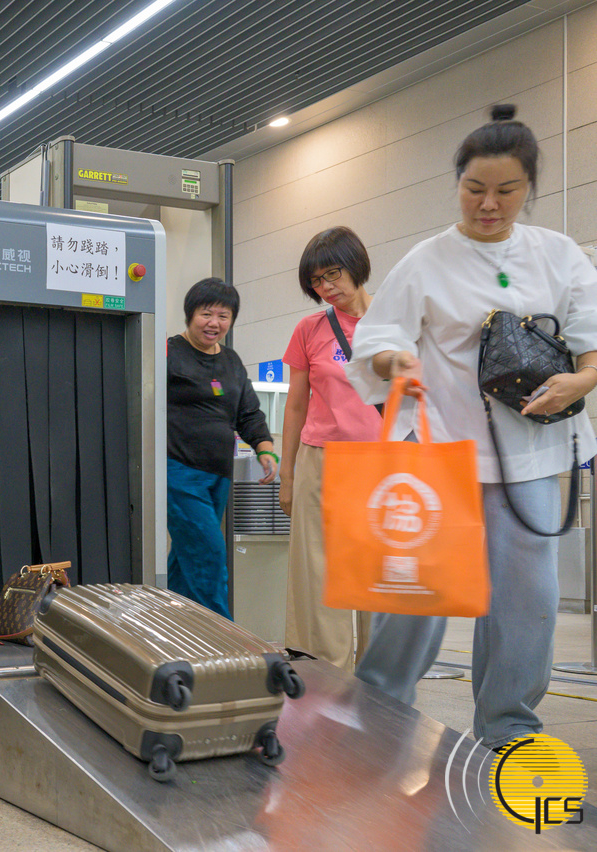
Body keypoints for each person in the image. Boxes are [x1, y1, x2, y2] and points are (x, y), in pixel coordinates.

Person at [344, 105, 597, 750]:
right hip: (440, 455)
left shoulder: (558, 254)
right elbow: (378, 337)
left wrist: (584, 378)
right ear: (457, 182)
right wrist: (394, 361)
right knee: (416, 597)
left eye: (507, 190)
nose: (489, 204)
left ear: (528, 189)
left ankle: (508, 727)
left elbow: (589, 335)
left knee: (527, 599)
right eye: (474, 188)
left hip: (529, 455)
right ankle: (379, 712)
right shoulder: (427, 260)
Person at [280, 226, 380, 670]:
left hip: (382, 462)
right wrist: (288, 475)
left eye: (333, 274)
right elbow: (296, 405)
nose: (326, 287)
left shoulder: (395, 323)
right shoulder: (310, 329)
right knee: (319, 573)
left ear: (356, 265)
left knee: (377, 572)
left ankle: (379, 680)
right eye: (316, 281)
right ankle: (328, 675)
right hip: (321, 459)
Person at [166, 277, 277, 618]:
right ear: (190, 314)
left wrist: (265, 449)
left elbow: (249, 412)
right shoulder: (168, 351)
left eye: (223, 316)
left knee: (187, 559)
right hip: (178, 472)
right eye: (206, 314)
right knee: (210, 555)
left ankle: (174, 629)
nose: (214, 323)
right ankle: (222, 636)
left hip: (219, 476)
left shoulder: (231, 360)